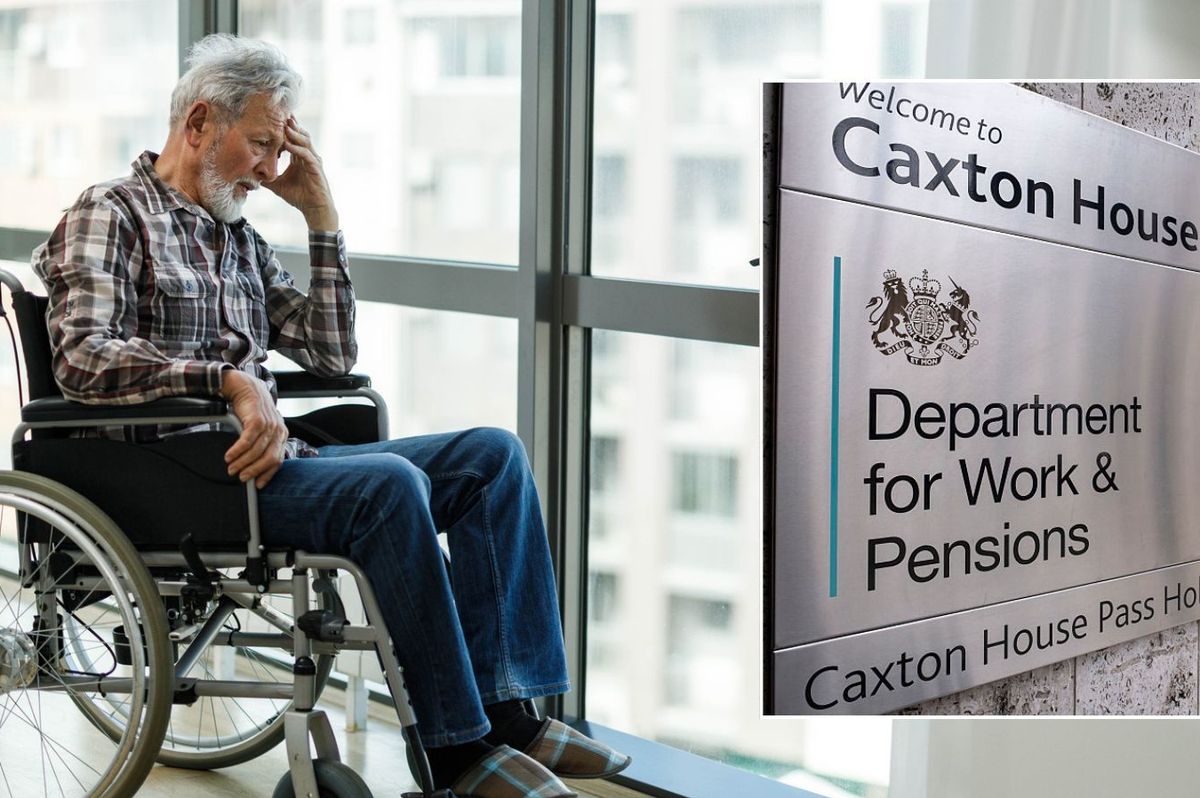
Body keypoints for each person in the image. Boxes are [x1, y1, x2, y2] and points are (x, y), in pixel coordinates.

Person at [32, 34, 629, 798]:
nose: (267, 167)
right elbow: (84, 356)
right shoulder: (109, 212)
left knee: (492, 457)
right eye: (259, 143)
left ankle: (507, 715)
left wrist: (320, 215)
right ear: (199, 125)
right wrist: (227, 382)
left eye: (280, 147)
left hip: (264, 464)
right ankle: (456, 753)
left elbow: (330, 355)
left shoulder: (235, 236)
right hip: (174, 475)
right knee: (388, 488)